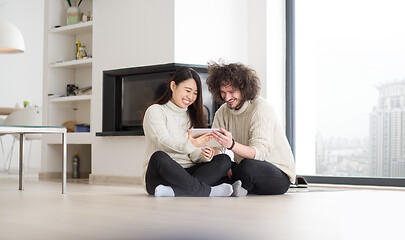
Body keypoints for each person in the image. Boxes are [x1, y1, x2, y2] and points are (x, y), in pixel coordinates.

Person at [206, 62, 296, 196]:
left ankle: (235, 187)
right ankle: (238, 186)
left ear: (244, 89)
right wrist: (220, 159)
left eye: (232, 92)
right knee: (214, 166)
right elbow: (216, 147)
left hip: (276, 173)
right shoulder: (222, 112)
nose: (227, 98)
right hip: (243, 166)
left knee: (247, 167)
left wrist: (231, 145)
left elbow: (260, 154)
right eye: (223, 92)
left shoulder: (261, 108)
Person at [142, 67, 233, 197]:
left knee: (224, 160)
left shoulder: (193, 115)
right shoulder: (155, 111)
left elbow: (193, 154)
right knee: (159, 157)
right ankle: (208, 191)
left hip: (187, 172)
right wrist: (190, 144)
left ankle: (173, 191)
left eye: (195, 93)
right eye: (188, 90)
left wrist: (204, 155)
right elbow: (162, 142)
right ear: (173, 86)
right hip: (161, 175)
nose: (190, 97)